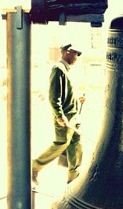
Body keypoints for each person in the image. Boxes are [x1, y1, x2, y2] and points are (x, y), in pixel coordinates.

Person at [32, 43, 85, 185]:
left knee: (76, 144)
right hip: (65, 116)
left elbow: (66, 93)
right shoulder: (58, 69)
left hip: (73, 115)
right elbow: (54, 96)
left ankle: (73, 176)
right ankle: (34, 166)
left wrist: (78, 99)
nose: (77, 58)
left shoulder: (66, 70)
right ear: (67, 52)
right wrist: (59, 115)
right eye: (75, 54)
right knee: (61, 143)